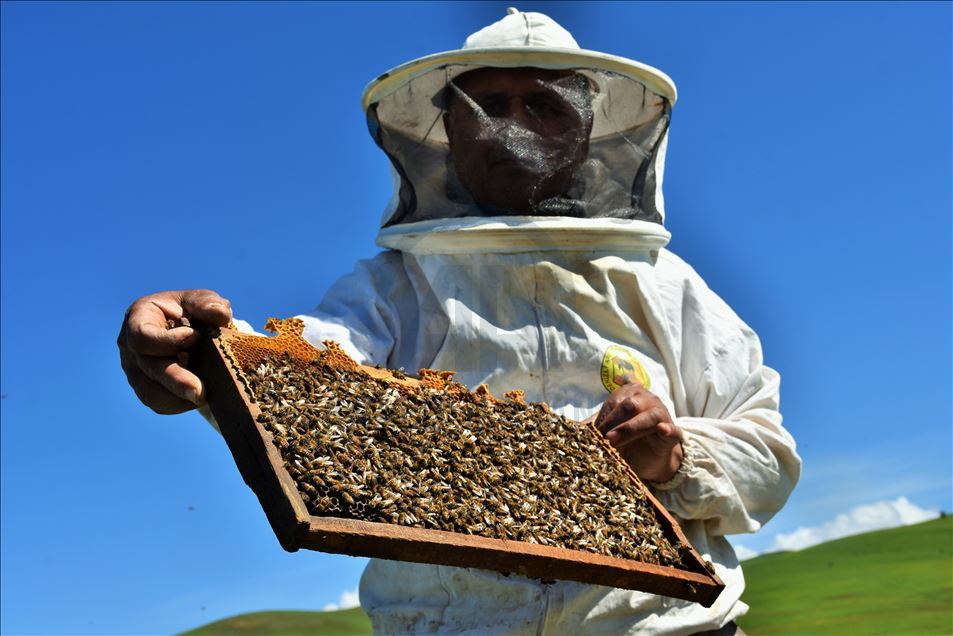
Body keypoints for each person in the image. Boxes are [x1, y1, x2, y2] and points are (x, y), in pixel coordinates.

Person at [117, 9, 800, 635]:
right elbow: (298, 382)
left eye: (542, 104)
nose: (512, 126)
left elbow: (768, 459)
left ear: (583, 130)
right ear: (451, 131)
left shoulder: (669, 287)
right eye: (488, 106)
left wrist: (676, 452)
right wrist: (194, 351)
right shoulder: (392, 289)